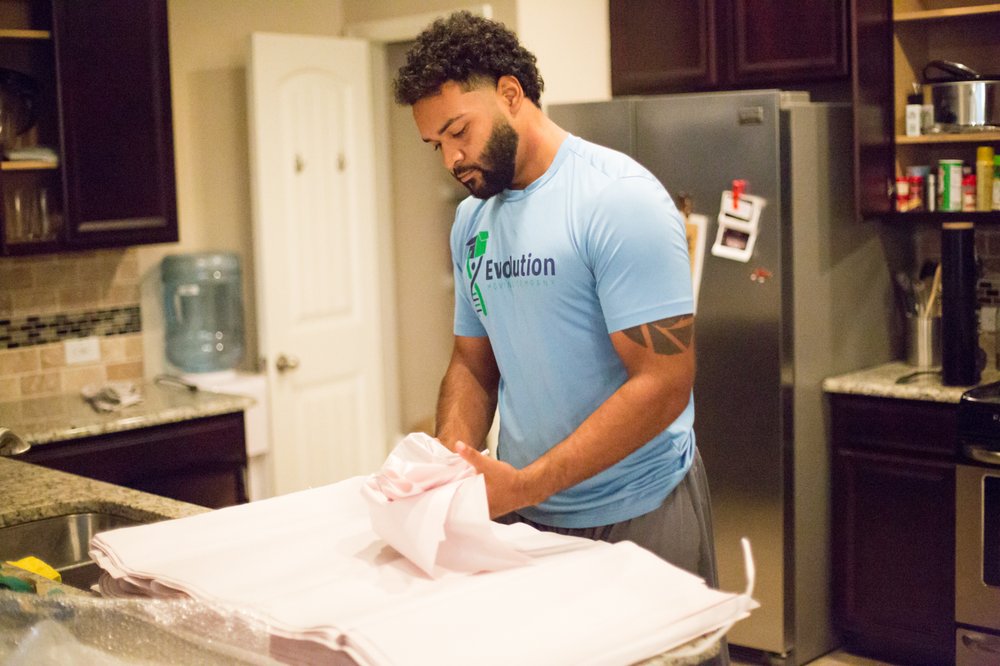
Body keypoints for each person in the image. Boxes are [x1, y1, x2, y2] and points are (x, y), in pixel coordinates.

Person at [394, 12, 724, 642]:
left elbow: (664, 383)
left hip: (640, 512)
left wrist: (524, 485)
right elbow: (472, 363)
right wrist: (452, 466)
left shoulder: (617, 199)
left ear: (510, 93)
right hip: (528, 519)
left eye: (459, 131)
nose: (452, 158)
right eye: (436, 144)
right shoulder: (471, 222)